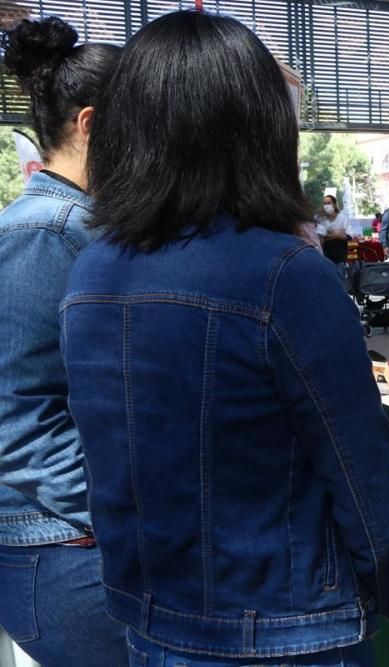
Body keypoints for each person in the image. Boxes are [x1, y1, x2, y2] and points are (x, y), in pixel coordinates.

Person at [62, 12, 389, 666]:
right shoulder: (286, 276)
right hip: (286, 633)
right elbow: (363, 478)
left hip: (151, 621)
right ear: (260, 131)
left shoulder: (89, 271)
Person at [0, 18, 126, 667]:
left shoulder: (77, 224)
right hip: (60, 547)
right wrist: (122, 515)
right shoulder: (47, 231)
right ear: (90, 123)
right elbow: (14, 416)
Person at [316, 194, 350, 265]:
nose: (326, 206)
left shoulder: (343, 219)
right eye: (324, 204)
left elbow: (349, 236)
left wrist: (330, 235)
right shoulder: (321, 219)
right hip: (325, 257)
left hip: (340, 256)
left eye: (328, 203)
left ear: (334, 204)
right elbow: (320, 240)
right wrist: (336, 234)